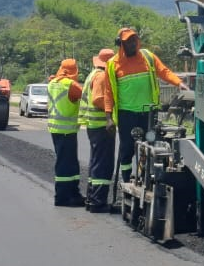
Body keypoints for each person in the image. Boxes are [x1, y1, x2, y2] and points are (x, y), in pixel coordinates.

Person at [104, 27, 190, 184]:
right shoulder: (112, 65)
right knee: (127, 149)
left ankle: (145, 177)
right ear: (120, 44)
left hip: (149, 114)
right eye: (128, 41)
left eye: (134, 40)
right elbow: (108, 93)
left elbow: (164, 72)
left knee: (150, 144)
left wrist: (180, 83)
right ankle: (126, 180)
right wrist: (108, 117)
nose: (132, 44)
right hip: (126, 114)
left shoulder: (148, 57)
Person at [79, 48, 116, 213]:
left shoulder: (92, 74)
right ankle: (98, 202)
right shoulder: (101, 76)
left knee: (96, 162)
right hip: (101, 126)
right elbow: (98, 99)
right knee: (103, 164)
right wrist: (112, 112)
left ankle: (91, 199)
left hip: (93, 126)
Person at [47, 58, 85, 207]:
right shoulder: (71, 85)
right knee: (64, 164)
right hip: (66, 130)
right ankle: (62, 197)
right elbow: (87, 96)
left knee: (70, 162)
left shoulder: (52, 83)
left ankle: (73, 193)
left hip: (56, 129)